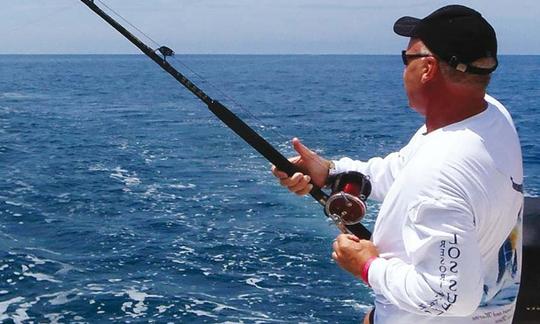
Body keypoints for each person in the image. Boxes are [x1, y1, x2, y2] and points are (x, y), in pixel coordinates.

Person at [272, 5, 523, 324]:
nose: (403, 69)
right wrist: (330, 172)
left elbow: (451, 297)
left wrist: (367, 266)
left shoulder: (441, 169)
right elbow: (403, 168)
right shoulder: (490, 117)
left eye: (407, 59)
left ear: (428, 68)